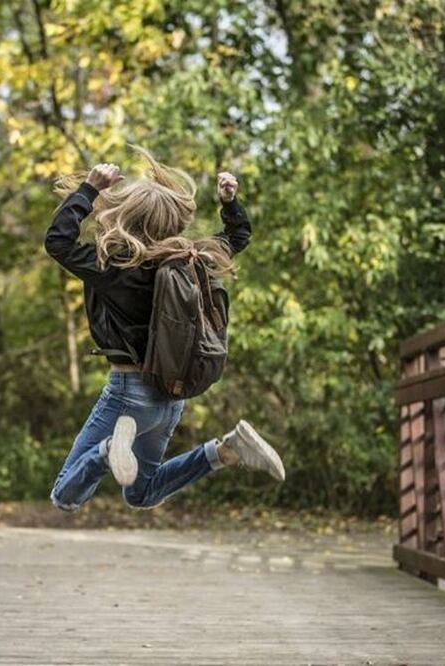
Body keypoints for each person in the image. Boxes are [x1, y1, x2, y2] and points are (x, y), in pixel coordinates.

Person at [44, 146, 285, 512]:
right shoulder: (192, 260)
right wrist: (229, 204)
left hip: (128, 393)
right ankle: (226, 450)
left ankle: (108, 450)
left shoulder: (112, 266)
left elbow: (58, 242)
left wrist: (90, 189)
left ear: (126, 215)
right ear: (171, 220)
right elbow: (237, 237)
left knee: (64, 496)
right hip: (170, 397)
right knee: (141, 493)